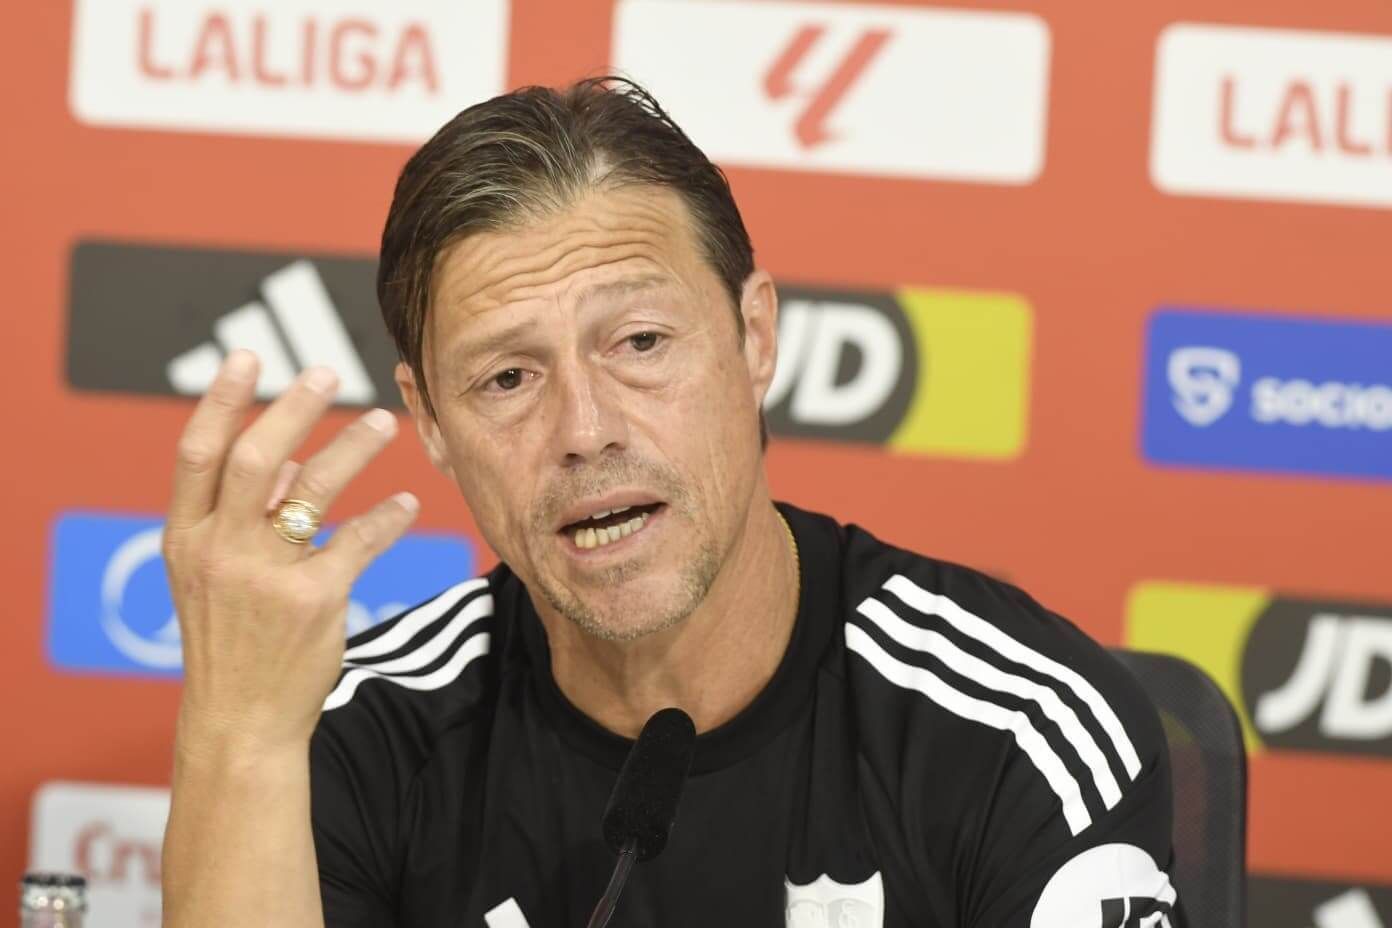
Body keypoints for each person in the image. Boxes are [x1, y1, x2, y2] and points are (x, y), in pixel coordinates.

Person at [159, 77, 1182, 927]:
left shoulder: (1014, 726)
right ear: (428, 420)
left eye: (640, 342)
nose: (585, 428)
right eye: (508, 378)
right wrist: (240, 731)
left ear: (755, 338)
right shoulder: (355, 735)